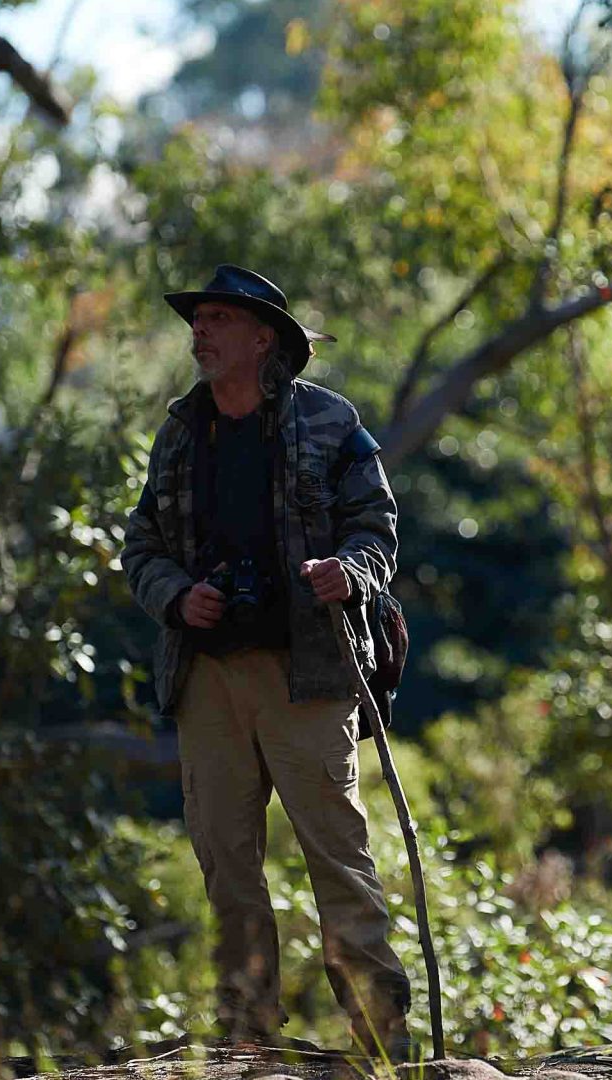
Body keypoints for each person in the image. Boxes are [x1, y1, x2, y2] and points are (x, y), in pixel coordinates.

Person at [122, 264, 413, 1057]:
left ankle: (381, 1043)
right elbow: (140, 543)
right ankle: (246, 1043)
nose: (201, 332)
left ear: (264, 338)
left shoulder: (329, 421)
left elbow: (376, 528)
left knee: (338, 860)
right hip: (206, 679)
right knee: (226, 864)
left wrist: (345, 573)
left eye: (218, 319)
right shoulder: (181, 432)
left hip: (308, 674)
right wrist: (178, 596)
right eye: (198, 319)